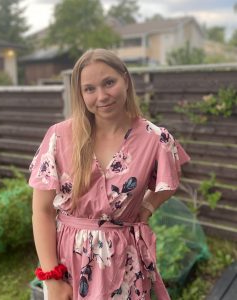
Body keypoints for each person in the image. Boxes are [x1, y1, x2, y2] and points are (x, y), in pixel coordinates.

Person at [29, 48, 190, 300]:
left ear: (125, 79)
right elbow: (42, 210)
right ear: (80, 94)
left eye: (109, 82)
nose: (102, 96)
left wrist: (147, 207)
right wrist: (52, 278)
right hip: (70, 263)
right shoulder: (60, 137)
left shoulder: (155, 139)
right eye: (89, 89)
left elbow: (170, 181)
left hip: (124, 266)